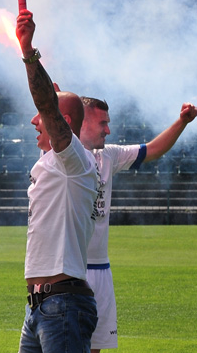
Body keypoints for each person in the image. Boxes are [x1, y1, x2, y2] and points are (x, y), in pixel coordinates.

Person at [78, 97, 196, 352]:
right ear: (83, 121)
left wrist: (182, 122)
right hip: (70, 270)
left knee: (95, 347)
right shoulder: (60, 155)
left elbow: (152, 150)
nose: (108, 130)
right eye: (102, 123)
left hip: (101, 269)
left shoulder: (108, 155)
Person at [16, 9, 99, 353]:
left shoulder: (75, 161)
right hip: (39, 308)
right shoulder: (51, 162)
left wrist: (28, 49)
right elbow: (52, 102)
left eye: (43, 117)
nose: (34, 120)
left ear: (61, 122)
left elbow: (48, 104)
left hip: (62, 306)